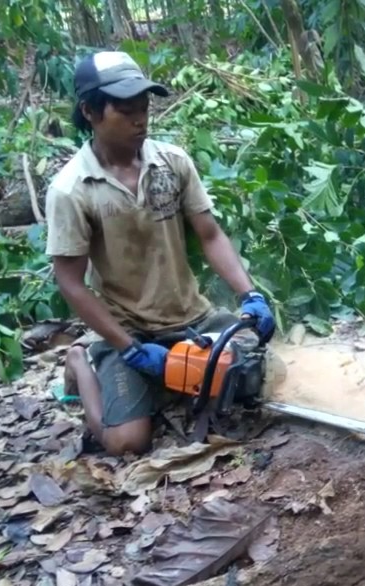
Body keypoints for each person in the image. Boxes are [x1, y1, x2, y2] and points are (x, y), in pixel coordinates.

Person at [44, 50, 275, 456]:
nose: (141, 119)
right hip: (128, 329)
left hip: (193, 317)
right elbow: (70, 283)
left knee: (259, 375)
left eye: (145, 107)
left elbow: (209, 234)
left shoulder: (172, 162)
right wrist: (128, 348)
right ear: (91, 112)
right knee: (126, 441)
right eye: (126, 110)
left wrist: (249, 295)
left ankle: (170, 377)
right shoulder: (72, 189)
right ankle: (81, 362)